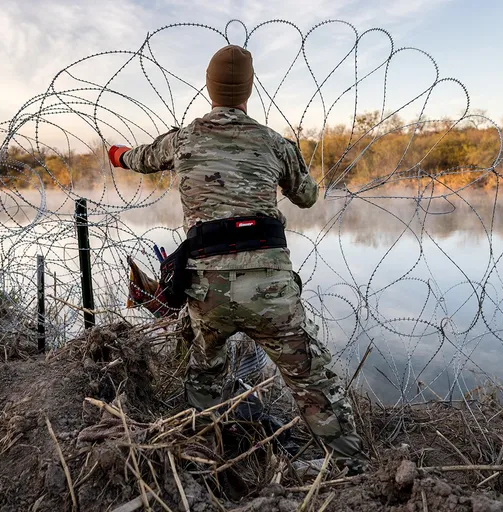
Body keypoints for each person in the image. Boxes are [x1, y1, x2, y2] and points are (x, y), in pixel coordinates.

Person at [108, 45, 368, 473]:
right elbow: (306, 197)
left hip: (208, 289)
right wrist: (292, 163)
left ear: (209, 88)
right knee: (310, 380)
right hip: (271, 290)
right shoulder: (274, 143)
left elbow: (138, 159)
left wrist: (115, 154)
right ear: (248, 91)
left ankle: (200, 460)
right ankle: (354, 470)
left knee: (205, 372)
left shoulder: (184, 139)